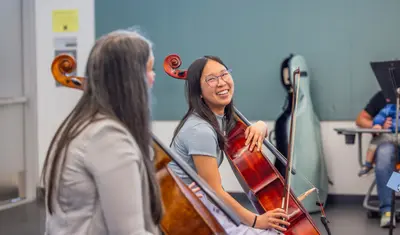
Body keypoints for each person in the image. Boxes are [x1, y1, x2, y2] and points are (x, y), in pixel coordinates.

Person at [40, 29, 202, 235]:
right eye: (149, 69)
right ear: (130, 79)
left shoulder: (82, 124)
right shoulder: (107, 138)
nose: (153, 78)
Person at [168, 55, 290, 234]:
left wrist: (260, 126)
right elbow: (214, 191)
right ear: (199, 92)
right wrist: (257, 220)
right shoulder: (200, 130)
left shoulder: (219, 118)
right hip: (192, 214)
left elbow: (250, 129)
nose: (221, 83)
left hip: (205, 207)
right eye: (211, 79)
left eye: (224, 74)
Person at [355, 90, 397, 228]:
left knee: (394, 173)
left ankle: (393, 191)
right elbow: (360, 119)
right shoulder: (384, 96)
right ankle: (387, 211)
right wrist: (378, 124)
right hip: (388, 144)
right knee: (384, 157)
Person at [358, 102, 400, 177]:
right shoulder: (391, 108)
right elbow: (379, 116)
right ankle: (368, 165)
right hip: (390, 137)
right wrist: (378, 124)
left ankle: (395, 186)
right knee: (383, 151)